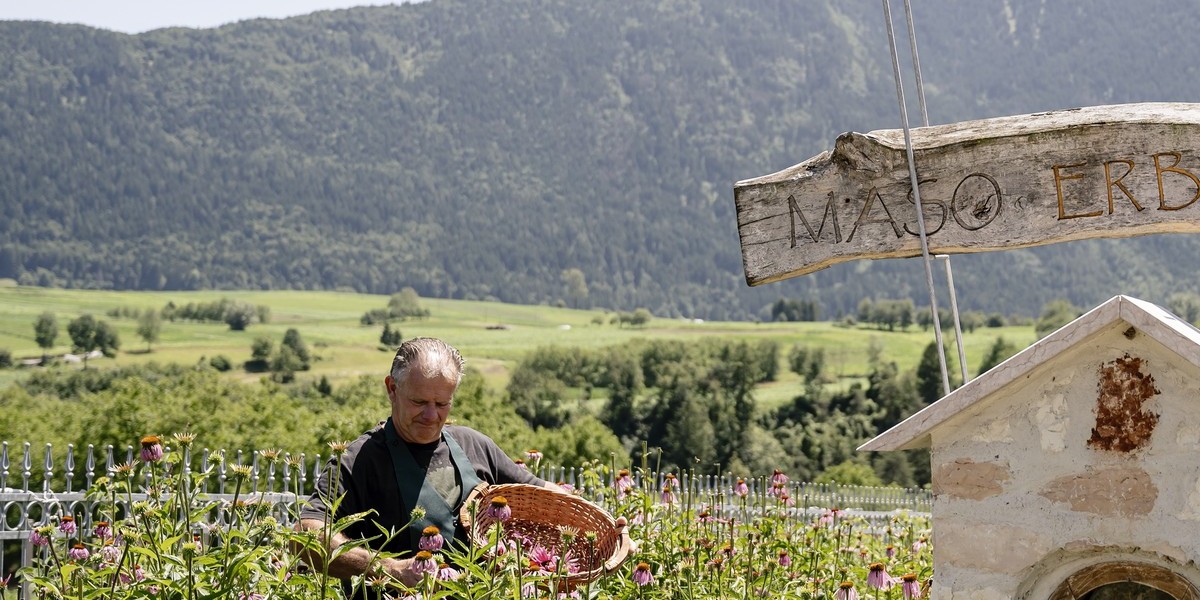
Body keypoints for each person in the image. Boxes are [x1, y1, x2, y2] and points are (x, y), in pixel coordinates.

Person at [295, 337, 559, 594]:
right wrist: (389, 569)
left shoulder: (475, 446)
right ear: (392, 389)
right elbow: (305, 536)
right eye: (419, 402)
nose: (432, 415)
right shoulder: (358, 460)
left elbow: (547, 499)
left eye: (442, 403)